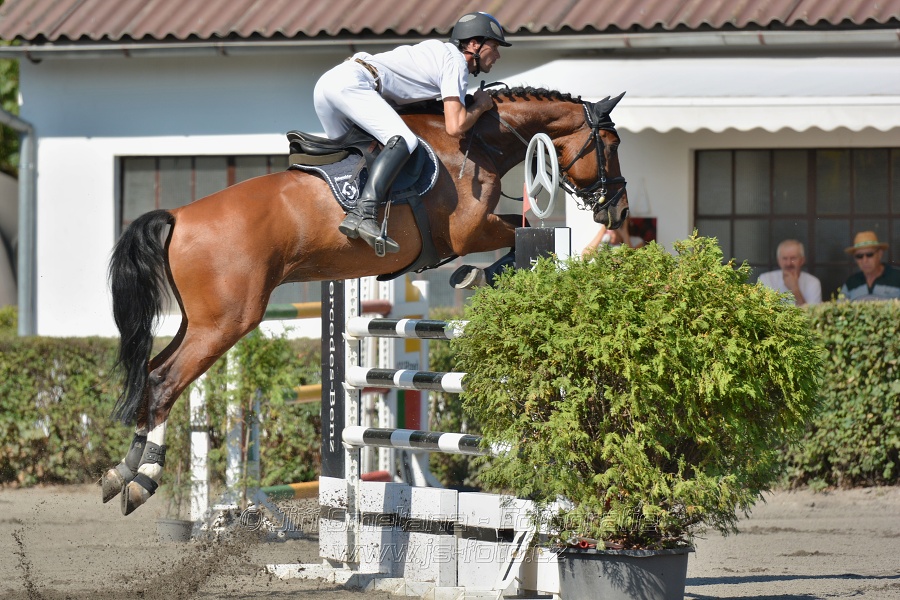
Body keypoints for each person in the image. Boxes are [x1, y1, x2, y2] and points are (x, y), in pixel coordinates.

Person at [313, 12, 510, 255]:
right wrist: (481, 105)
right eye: (495, 45)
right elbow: (455, 126)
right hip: (353, 83)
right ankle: (364, 214)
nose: (498, 54)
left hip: (329, 85)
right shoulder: (456, 62)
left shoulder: (438, 54)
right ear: (473, 44)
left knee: (353, 161)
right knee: (404, 140)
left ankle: (342, 216)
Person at [758, 239, 822, 306]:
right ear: (778, 260)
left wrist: (795, 290)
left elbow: (812, 315)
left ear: (802, 260)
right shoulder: (766, 279)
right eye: (785, 258)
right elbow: (763, 312)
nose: (788, 263)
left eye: (793, 258)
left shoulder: (813, 282)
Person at [840, 231, 900, 301]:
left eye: (869, 254)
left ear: (880, 254)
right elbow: (839, 309)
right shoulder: (850, 283)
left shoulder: (897, 278)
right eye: (859, 256)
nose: (864, 260)